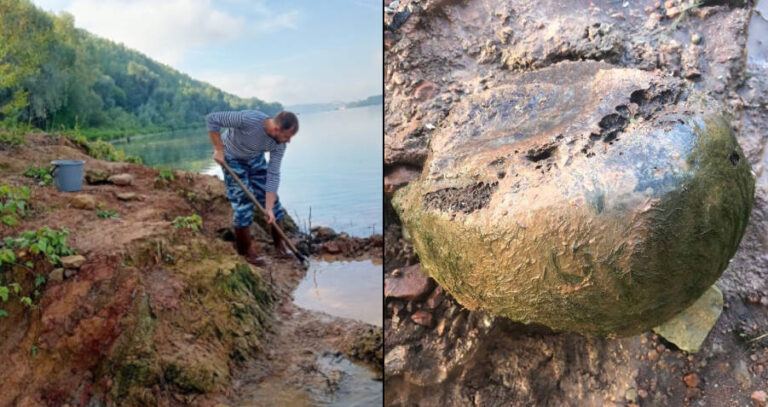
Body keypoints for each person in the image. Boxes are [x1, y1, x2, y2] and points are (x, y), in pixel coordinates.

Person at [206, 109, 299, 266]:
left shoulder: (279, 145)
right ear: (277, 129)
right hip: (232, 157)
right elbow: (212, 119)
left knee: (274, 205)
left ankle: (280, 247)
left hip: (254, 158)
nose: (288, 141)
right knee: (243, 203)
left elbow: (273, 174)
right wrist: (219, 149)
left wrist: (268, 207)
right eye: (287, 136)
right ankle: (246, 252)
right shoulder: (250, 119)